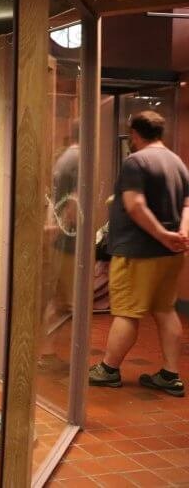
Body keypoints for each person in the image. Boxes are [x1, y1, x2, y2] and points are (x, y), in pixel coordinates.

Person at [88, 111, 189, 397]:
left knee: (126, 312)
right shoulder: (177, 162)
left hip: (138, 251)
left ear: (135, 133)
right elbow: (187, 205)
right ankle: (170, 374)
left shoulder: (136, 161)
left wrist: (161, 235)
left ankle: (108, 369)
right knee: (165, 309)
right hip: (170, 254)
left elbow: (135, 205)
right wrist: (179, 235)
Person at [38, 125, 79, 372]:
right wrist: (63, 230)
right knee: (64, 300)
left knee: (61, 299)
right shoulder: (75, 159)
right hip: (68, 241)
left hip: (62, 238)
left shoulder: (66, 158)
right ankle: (46, 351)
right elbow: (72, 202)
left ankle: (47, 351)